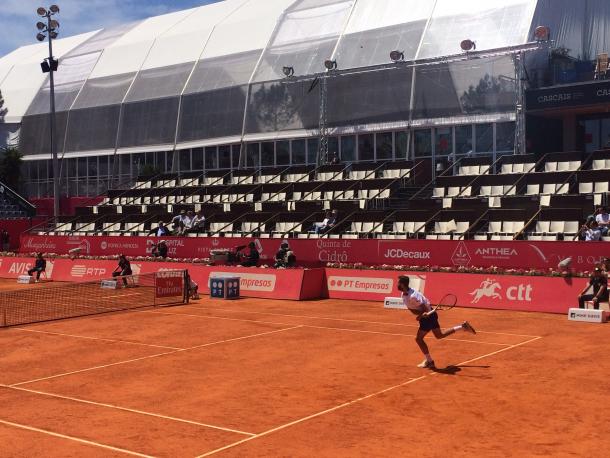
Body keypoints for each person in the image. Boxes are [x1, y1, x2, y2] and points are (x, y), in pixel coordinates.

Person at [397, 275, 476, 369]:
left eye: (398, 282)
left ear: (403, 284)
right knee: (439, 335)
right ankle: (462, 326)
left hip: (428, 317)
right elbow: (412, 309)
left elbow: (424, 308)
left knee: (419, 339)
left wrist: (423, 314)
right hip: (428, 317)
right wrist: (420, 315)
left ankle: (429, 361)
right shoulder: (403, 294)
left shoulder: (413, 295)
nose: (397, 284)